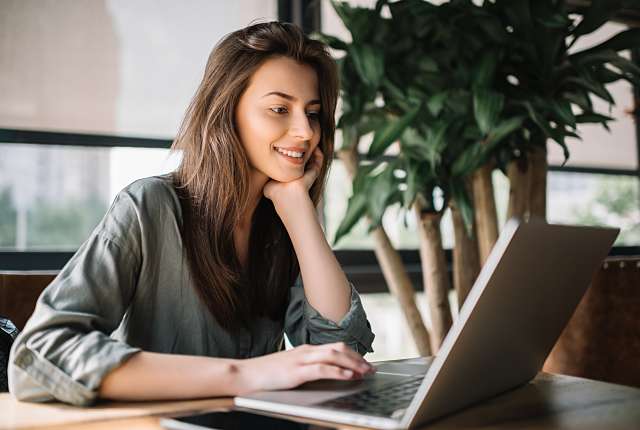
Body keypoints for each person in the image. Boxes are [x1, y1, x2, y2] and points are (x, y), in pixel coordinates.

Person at [8, 21, 375, 406]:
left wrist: (299, 211)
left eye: (313, 113)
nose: (305, 131)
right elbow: (39, 353)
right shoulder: (149, 206)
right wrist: (244, 375)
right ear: (226, 112)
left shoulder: (281, 222)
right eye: (279, 109)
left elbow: (342, 354)